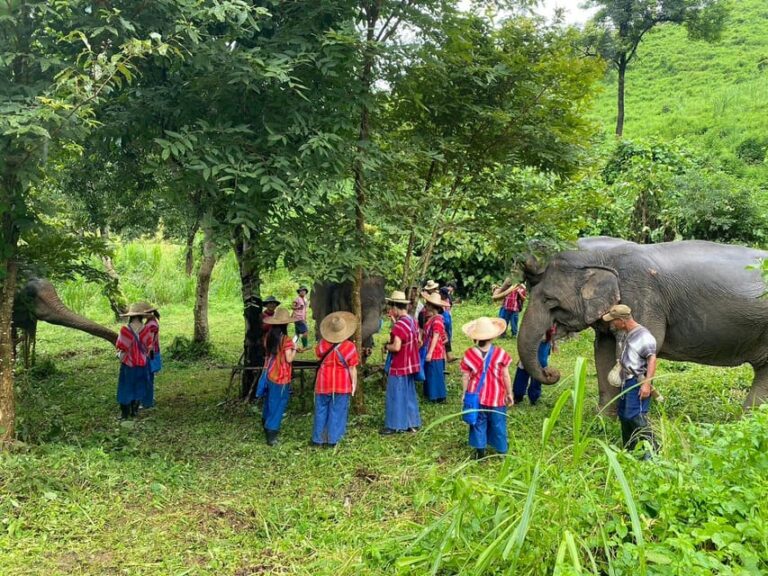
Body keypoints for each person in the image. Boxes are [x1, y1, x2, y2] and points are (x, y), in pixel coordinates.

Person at [602, 304, 658, 457]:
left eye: (614, 321)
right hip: (627, 380)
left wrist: (647, 384)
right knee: (624, 415)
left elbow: (652, 359)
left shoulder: (643, 336)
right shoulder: (628, 333)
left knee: (635, 415)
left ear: (622, 320)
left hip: (638, 382)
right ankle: (629, 450)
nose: (612, 324)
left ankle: (652, 452)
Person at [460, 316, 514, 459]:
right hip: (497, 397)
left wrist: (465, 394)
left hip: (477, 397)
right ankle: (502, 451)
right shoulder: (500, 353)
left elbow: (465, 377)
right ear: (492, 336)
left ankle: (480, 451)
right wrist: (510, 393)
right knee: (498, 423)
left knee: (478, 423)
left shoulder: (469, 354)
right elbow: (506, 376)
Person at [311, 311, 359, 447]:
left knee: (320, 410)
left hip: (323, 382)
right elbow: (352, 368)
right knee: (337, 411)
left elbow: (318, 355)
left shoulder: (322, 344)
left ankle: (317, 440)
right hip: (341, 383)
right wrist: (353, 384)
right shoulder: (350, 347)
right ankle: (332, 440)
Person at [381, 290, 421, 435]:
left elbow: (396, 347)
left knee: (395, 396)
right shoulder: (411, 321)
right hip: (410, 365)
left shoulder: (399, 326)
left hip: (398, 366)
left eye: (391, 308)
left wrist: (386, 347)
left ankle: (394, 425)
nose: (390, 311)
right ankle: (412, 424)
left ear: (396, 308)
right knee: (408, 394)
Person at [261, 308, 298, 446]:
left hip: (270, 373)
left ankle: (265, 423)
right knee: (278, 404)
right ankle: (272, 434)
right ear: (286, 324)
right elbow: (289, 359)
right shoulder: (286, 340)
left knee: (270, 400)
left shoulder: (268, 337)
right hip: (281, 377)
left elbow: (272, 353)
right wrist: (294, 349)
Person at [115, 302, 155, 419]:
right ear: (141, 316)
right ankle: (134, 411)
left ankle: (125, 414)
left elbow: (121, 345)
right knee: (139, 385)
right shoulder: (146, 329)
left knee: (125, 386)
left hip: (128, 363)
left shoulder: (125, 330)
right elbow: (149, 345)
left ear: (131, 316)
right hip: (142, 363)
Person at [512, 325, 556, 405]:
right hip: (530, 340)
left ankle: (534, 396)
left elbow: (553, 328)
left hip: (543, 342)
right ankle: (518, 395)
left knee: (540, 368)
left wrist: (553, 342)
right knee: (524, 366)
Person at [421, 292, 448, 403]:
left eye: (427, 304)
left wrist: (430, 352)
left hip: (435, 352)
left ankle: (438, 397)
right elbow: (444, 337)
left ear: (432, 306)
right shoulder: (433, 318)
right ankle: (432, 395)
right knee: (431, 373)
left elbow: (436, 336)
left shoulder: (437, 319)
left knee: (434, 374)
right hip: (432, 350)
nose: (425, 306)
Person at [139, 308, 162, 409]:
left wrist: (146, 354)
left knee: (147, 378)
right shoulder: (151, 322)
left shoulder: (151, 324)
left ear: (149, 313)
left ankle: (147, 402)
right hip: (151, 352)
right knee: (148, 378)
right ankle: (148, 399)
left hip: (149, 353)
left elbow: (150, 342)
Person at [439, 286, 455, 362]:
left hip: (446, 319)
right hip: (442, 320)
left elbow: (450, 307)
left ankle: (448, 356)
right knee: (443, 338)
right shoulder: (437, 301)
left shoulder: (447, 299)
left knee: (447, 337)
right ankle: (446, 356)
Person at [292, 286, 310, 351]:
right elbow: (292, 307)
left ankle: (292, 345)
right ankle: (305, 346)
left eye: (304, 291)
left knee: (297, 334)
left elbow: (304, 311)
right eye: (301, 291)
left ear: (305, 292)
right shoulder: (297, 299)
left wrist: (305, 319)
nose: (302, 292)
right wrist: (298, 307)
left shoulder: (305, 300)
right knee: (305, 332)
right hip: (298, 318)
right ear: (299, 292)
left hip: (301, 318)